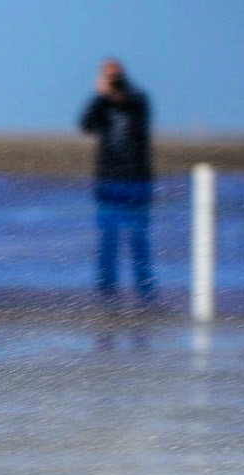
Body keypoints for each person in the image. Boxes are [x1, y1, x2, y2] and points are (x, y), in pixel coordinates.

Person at [80, 58, 154, 300]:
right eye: (107, 75)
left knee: (138, 239)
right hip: (108, 181)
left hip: (136, 179)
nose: (111, 79)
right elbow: (86, 124)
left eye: (115, 75)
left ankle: (144, 292)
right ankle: (107, 293)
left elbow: (132, 106)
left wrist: (110, 92)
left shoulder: (138, 99)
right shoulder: (101, 103)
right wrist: (98, 97)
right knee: (108, 241)